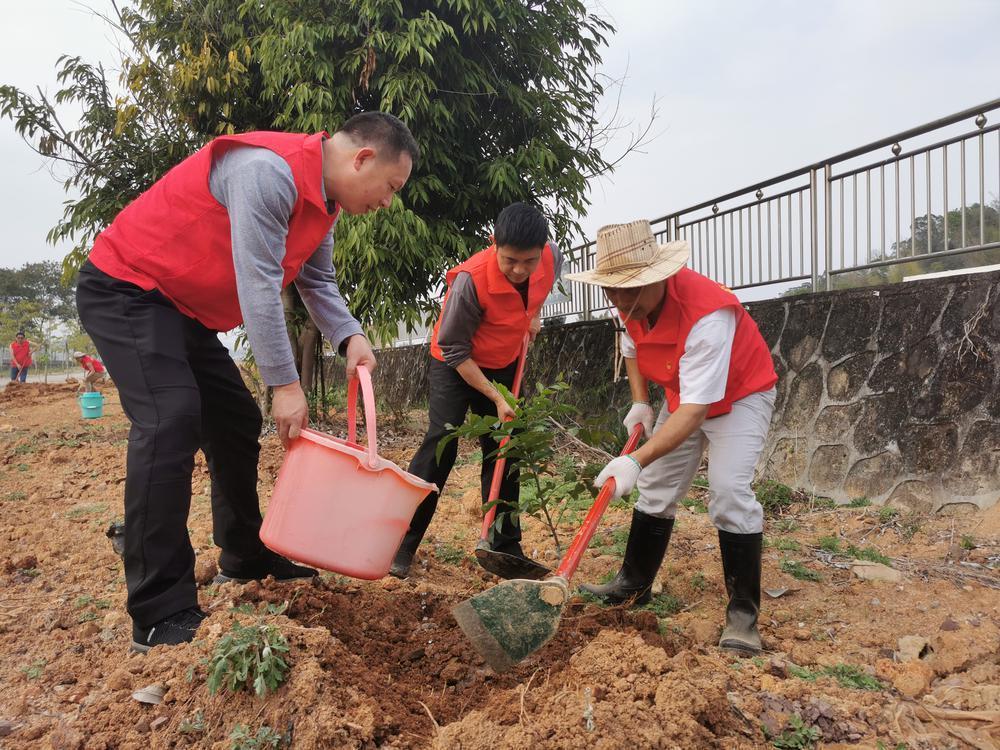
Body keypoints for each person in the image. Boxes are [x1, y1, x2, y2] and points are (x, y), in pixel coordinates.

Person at [75, 112, 419, 651]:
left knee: (235, 418)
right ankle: (159, 610)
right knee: (172, 417)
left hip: (180, 310)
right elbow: (258, 282)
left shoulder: (323, 205)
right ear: (363, 158)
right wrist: (285, 383)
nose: (388, 201)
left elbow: (317, 281)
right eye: (392, 187)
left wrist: (350, 336)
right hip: (128, 287)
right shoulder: (267, 173)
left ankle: (243, 553)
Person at [567, 220, 778, 655]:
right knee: (657, 487)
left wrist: (635, 459)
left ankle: (742, 614)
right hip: (685, 392)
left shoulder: (709, 315)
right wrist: (641, 403)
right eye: (613, 291)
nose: (621, 301)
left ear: (659, 276)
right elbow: (631, 350)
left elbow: (696, 413)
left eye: (631, 290)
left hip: (741, 394)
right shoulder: (627, 305)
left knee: (727, 490)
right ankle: (634, 583)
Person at [390, 202, 562, 579]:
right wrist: (497, 397)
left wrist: (533, 314)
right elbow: (454, 349)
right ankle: (401, 541)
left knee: (506, 444)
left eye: (528, 261)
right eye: (510, 260)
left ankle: (505, 544)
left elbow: (543, 283)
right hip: (455, 362)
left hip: (504, 359)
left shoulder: (550, 257)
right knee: (443, 440)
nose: (519, 270)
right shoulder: (472, 280)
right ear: (493, 243)